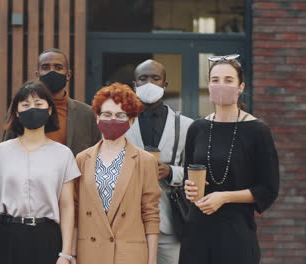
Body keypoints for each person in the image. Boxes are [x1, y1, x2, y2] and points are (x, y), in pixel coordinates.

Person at [181, 55, 279, 264]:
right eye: (215, 80)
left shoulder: (257, 131)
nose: (221, 85)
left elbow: (268, 189)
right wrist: (188, 188)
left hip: (236, 233)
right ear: (208, 85)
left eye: (228, 80)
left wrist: (224, 197)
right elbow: (186, 176)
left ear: (240, 86)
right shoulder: (197, 128)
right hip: (197, 233)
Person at [0, 80, 81, 264]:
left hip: (46, 237)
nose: (32, 109)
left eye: (39, 104)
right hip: (8, 236)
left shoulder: (63, 154)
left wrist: (66, 253)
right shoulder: (0, 152)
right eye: (25, 105)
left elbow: (67, 207)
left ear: (49, 110)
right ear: (16, 111)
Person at [74, 83, 161, 264]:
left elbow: (151, 214)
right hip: (90, 252)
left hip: (129, 254)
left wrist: (152, 261)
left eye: (121, 115)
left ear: (131, 120)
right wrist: (71, 254)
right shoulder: (82, 159)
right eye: (107, 114)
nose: (113, 120)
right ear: (97, 117)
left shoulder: (145, 161)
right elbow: (74, 212)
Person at [126, 59, 193, 264]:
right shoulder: (120, 123)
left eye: (155, 78)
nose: (149, 83)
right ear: (134, 84)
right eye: (143, 78)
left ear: (165, 84)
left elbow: (196, 172)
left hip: (170, 220)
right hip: (128, 220)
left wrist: (171, 172)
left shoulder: (186, 126)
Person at [3, 48, 101, 156]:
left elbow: (96, 154)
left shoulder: (86, 113)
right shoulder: (23, 109)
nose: (52, 71)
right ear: (37, 74)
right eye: (45, 67)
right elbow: (7, 149)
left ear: (68, 75)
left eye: (58, 67)